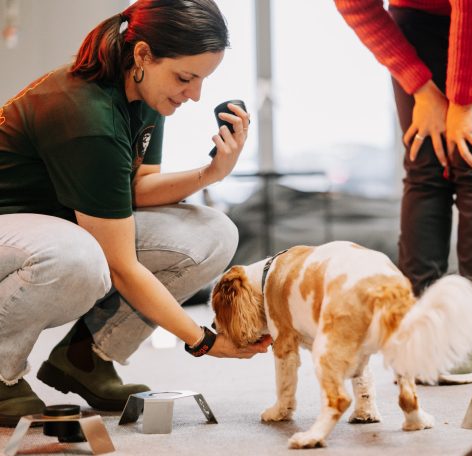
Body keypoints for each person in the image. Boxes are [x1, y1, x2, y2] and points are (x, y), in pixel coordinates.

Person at [0, 0, 272, 427]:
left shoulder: (143, 93)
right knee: (80, 258)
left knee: (212, 231)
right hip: (13, 225)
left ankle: (86, 358)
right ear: (143, 55)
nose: (195, 95)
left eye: (202, 80)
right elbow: (122, 267)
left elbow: (136, 189)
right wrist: (203, 341)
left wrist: (211, 173)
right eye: (185, 78)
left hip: (51, 222)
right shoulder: (87, 112)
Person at [335, 0, 472, 383]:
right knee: (424, 165)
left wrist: (462, 102)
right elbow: (356, 6)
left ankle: (471, 339)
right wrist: (421, 88)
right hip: (418, 13)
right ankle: (417, 330)